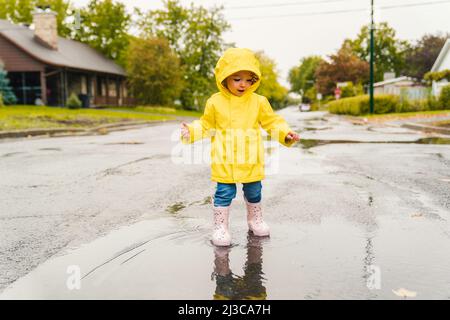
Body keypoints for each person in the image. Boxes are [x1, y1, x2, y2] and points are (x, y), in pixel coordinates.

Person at [181, 48, 300, 246]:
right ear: (225, 78)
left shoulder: (259, 102)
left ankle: (255, 220)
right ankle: (220, 227)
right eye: (236, 79)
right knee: (224, 192)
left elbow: (272, 122)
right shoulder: (215, 102)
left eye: (248, 79)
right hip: (224, 158)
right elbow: (206, 124)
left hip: (250, 157)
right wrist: (191, 131)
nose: (243, 84)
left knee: (254, 191)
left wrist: (285, 133)